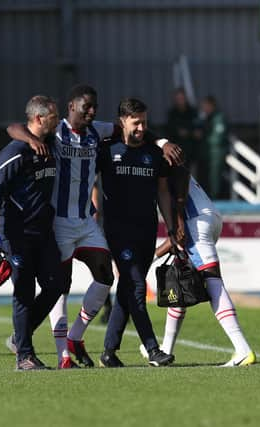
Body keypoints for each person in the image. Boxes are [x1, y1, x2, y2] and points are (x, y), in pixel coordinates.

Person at [5, 85, 182, 369]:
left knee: (105, 277)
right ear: (71, 107)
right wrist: (29, 138)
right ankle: (59, 352)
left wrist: (160, 142)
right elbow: (13, 127)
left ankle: (75, 335)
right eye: (86, 106)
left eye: (94, 107)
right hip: (60, 222)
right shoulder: (57, 131)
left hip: (87, 221)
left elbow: (133, 129)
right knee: (60, 286)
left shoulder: (96, 132)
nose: (92, 111)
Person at [142, 166, 256, 366]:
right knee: (179, 281)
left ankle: (242, 349)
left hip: (195, 221)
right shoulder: (158, 155)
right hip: (206, 217)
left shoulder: (156, 155)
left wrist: (146, 259)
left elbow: (180, 173)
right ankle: (166, 351)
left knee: (212, 280)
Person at [98, 97, 181, 368]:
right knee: (135, 286)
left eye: (145, 122)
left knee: (126, 290)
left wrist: (171, 228)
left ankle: (109, 352)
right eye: (136, 123)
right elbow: (88, 179)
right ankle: (153, 348)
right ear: (122, 122)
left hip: (146, 231)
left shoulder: (155, 152)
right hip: (116, 230)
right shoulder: (107, 148)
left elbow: (163, 192)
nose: (141, 128)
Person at [0, 95, 63, 370]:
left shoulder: (53, 143)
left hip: (43, 230)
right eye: (54, 116)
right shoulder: (15, 152)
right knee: (24, 292)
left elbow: (14, 125)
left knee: (57, 284)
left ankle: (20, 337)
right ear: (39, 118)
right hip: (16, 232)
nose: (58, 119)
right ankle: (25, 357)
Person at [198, 95, 229, 199]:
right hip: (206, 155)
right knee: (205, 179)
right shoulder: (206, 118)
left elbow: (218, 138)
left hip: (216, 154)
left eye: (206, 106)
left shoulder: (219, 117)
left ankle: (215, 199)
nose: (204, 108)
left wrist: (204, 137)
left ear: (212, 105)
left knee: (215, 179)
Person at [166, 88, 198, 170]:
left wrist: (188, 132)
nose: (180, 101)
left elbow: (198, 131)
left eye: (182, 98)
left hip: (191, 152)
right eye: (178, 99)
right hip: (176, 152)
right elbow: (169, 131)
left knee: (190, 177)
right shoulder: (172, 114)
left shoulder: (192, 112)